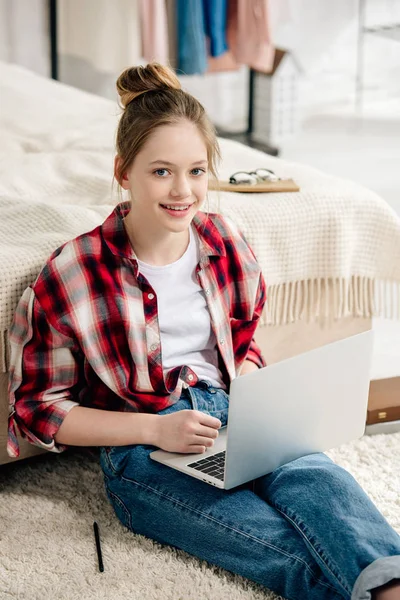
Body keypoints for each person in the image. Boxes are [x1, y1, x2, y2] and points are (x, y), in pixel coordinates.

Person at [7, 62, 400, 600]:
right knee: (253, 531)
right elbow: (38, 411)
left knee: (317, 480)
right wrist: (154, 431)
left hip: (236, 409)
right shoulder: (74, 272)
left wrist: (255, 385)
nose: (183, 191)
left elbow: (244, 340)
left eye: (197, 171)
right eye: (161, 171)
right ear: (124, 171)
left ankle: (390, 583)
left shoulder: (226, 240)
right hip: (144, 444)